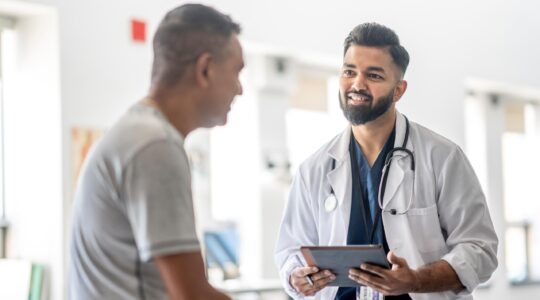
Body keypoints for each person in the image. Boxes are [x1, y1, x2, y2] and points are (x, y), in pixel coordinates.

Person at [275, 23, 498, 300]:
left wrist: (415, 280)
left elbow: (480, 249)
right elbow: (290, 251)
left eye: (374, 75)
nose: (357, 84)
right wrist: (296, 277)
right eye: (349, 71)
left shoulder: (441, 157)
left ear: (398, 91)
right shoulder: (315, 168)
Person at [68, 4, 244, 299]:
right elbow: (191, 295)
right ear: (205, 69)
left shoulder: (136, 133)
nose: (240, 89)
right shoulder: (156, 147)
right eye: (236, 72)